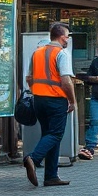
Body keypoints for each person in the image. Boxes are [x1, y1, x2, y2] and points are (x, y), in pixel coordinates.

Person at [23, 22, 77, 187]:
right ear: (61, 37)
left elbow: (29, 78)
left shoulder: (37, 53)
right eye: (67, 36)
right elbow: (66, 80)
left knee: (49, 134)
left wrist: (37, 91)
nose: (67, 39)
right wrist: (72, 100)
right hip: (56, 100)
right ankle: (33, 158)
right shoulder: (61, 53)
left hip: (38, 100)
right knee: (55, 134)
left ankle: (51, 176)